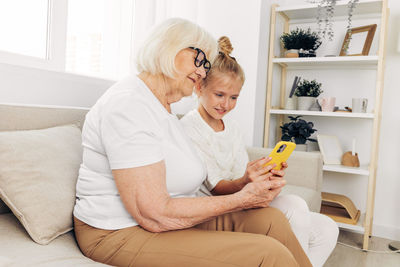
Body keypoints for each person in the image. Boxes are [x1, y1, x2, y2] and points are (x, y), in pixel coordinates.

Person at [73, 18, 312, 267]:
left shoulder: (163, 107)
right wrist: (243, 199)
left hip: (167, 217)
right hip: (118, 231)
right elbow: (152, 214)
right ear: (168, 48)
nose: (202, 71)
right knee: (268, 254)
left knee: (271, 220)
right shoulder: (128, 105)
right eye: (199, 60)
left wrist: (246, 183)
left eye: (206, 65)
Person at [181, 36, 339, 267]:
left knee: (328, 228)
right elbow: (216, 188)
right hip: (215, 208)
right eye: (219, 95)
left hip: (240, 199)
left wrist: (264, 176)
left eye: (234, 97)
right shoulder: (189, 127)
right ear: (199, 87)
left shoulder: (232, 128)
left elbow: (241, 175)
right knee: (294, 206)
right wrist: (247, 180)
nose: (226, 105)